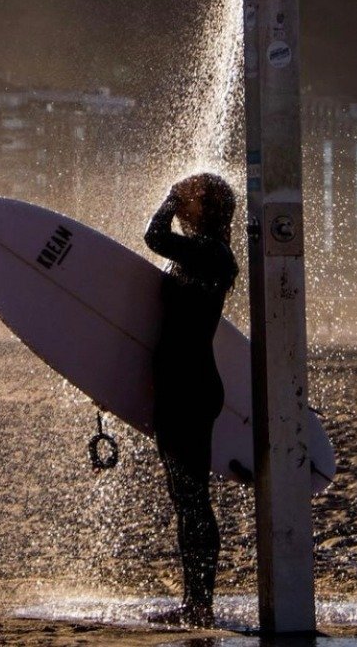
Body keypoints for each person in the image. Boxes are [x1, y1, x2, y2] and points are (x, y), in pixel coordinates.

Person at [144, 171, 239, 628]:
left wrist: (169, 197)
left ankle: (200, 604)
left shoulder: (207, 252)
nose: (182, 206)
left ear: (206, 208)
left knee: (193, 499)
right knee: (188, 499)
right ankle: (195, 602)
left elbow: (153, 235)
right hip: (181, 384)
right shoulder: (205, 252)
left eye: (189, 200)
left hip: (189, 388)